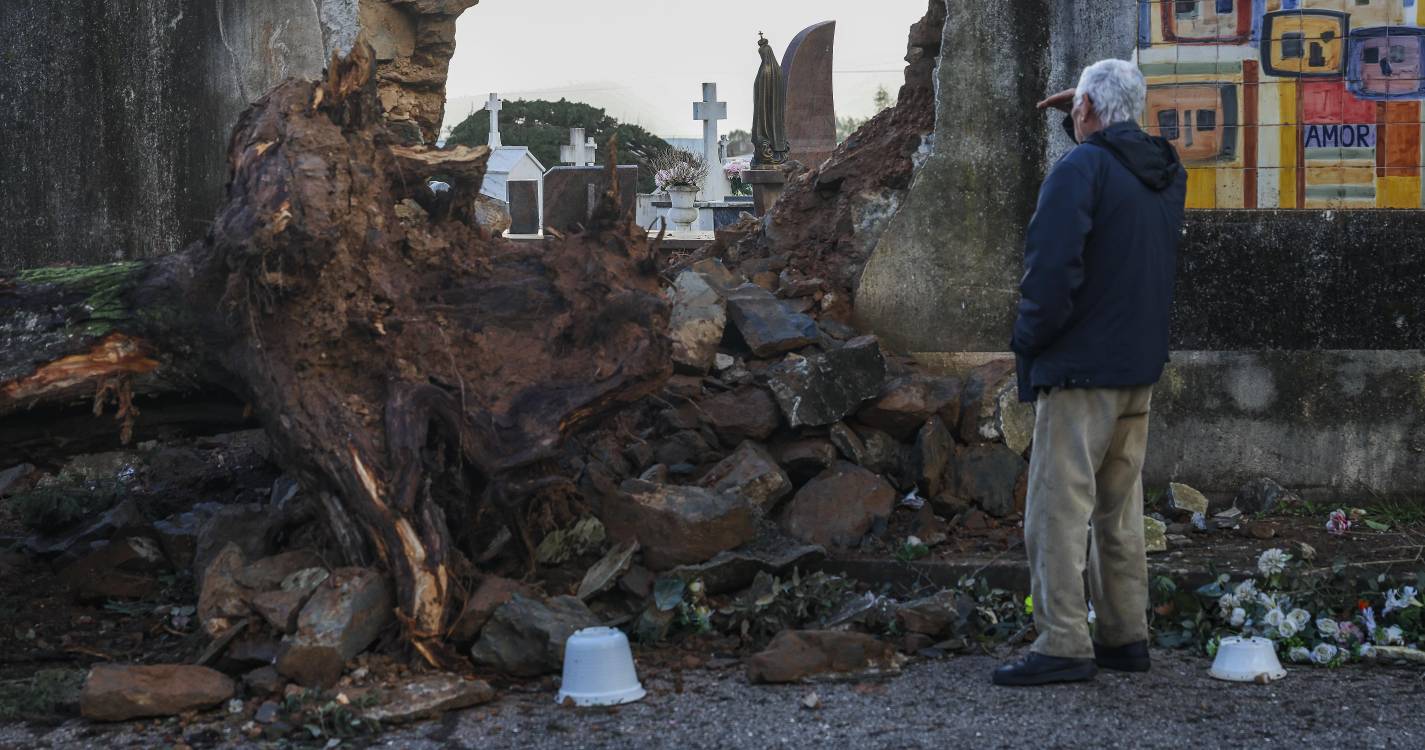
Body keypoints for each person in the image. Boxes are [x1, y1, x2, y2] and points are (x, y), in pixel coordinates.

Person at [992, 59, 1187, 687]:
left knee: (1057, 510)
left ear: (1086, 111)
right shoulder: (1163, 173)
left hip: (1080, 372)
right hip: (1137, 370)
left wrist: (1028, 340)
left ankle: (1063, 643)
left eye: (1074, 109)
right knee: (1118, 512)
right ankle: (1124, 637)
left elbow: (1051, 271)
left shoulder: (1080, 168)